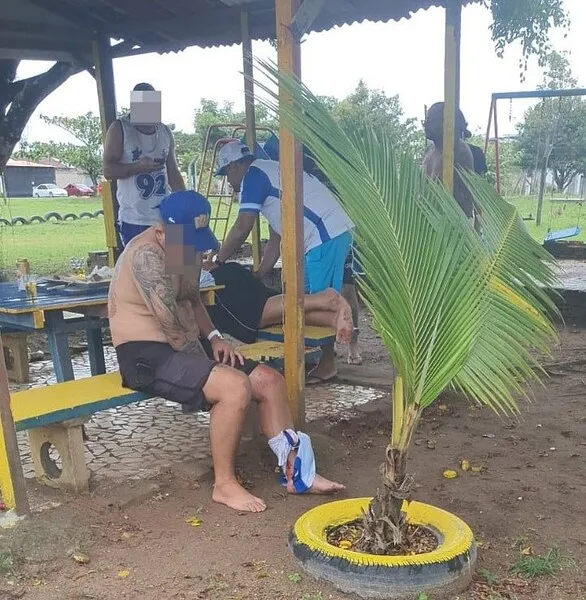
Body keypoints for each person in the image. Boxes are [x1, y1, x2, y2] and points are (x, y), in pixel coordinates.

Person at [108, 189, 344, 513]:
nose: (194, 249)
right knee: (235, 386)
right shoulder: (145, 256)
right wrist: (212, 370)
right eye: (187, 241)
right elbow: (171, 324)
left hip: (185, 343)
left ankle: (298, 473)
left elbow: (189, 299)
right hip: (145, 354)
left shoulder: (178, 244)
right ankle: (224, 485)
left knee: (269, 381)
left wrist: (216, 338)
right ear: (162, 231)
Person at [214, 139, 355, 382]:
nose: (229, 182)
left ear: (234, 166)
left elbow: (242, 227)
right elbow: (278, 236)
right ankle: (314, 357)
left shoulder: (254, 176)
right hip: (327, 233)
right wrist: (259, 274)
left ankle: (327, 363)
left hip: (324, 235)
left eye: (226, 173)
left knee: (318, 300)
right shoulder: (271, 172)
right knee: (305, 299)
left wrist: (218, 260)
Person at [263, 133, 363, 365]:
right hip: (318, 242)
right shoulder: (281, 179)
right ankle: (319, 354)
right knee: (313, 295)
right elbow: (276, 232)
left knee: (342, 292)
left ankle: (347, 347)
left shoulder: (318, 171)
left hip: (335, 235)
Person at [103, 82, 186, 247]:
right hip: (135, 220)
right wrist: (137, 167)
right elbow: (108, 171)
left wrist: (185, 203)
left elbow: (173, 172)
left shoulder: (164, 131)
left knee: (180, 264)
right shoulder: (120, 129)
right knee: (143, 269)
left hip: (168, 215)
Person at [202, 260, 353, 345]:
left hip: (216, 282)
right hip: (225, 272)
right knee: (279, 314)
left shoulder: (180, 228)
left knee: (259, 313)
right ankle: (331, 318)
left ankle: (324, 299)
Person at [422, 102, 477, 227]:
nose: (426, 125)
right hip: (427, 223)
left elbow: (468, 195)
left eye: (430, 120)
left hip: (450, 227)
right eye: (426, 120)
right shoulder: (430, 151)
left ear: (445, 124)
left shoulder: (460, 152)